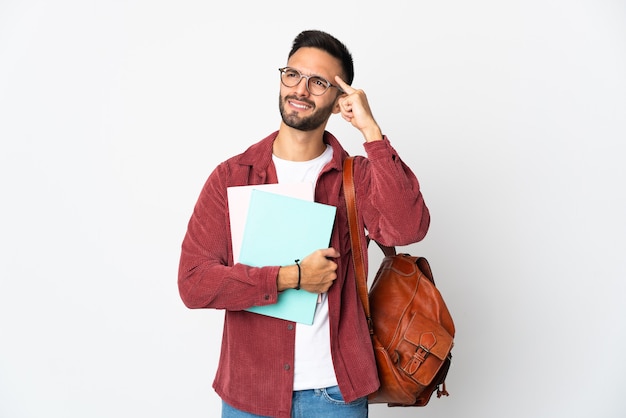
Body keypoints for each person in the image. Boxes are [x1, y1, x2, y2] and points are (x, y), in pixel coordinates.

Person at [178, 29, 430, 418]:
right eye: (292, 75)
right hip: (250, 392)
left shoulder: (356, 177)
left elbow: (408, 228)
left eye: (318, 82)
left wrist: (371, 132)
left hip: (335, 394)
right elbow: (194, 283)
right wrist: (289, 277)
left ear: (337, 101)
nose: (300, 89)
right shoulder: (232, 176)